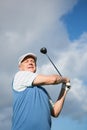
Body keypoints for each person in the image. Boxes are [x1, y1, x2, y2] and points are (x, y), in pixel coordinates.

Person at [11, 52, 71, 130]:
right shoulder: (19, 76)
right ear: (20, 67)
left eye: (32, 61)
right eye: (26, 61)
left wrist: (64, 89)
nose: (30, 62)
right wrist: (65, 79)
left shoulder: (43, 91)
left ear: (35, 66)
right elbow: (53, 79)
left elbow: (55, 112)